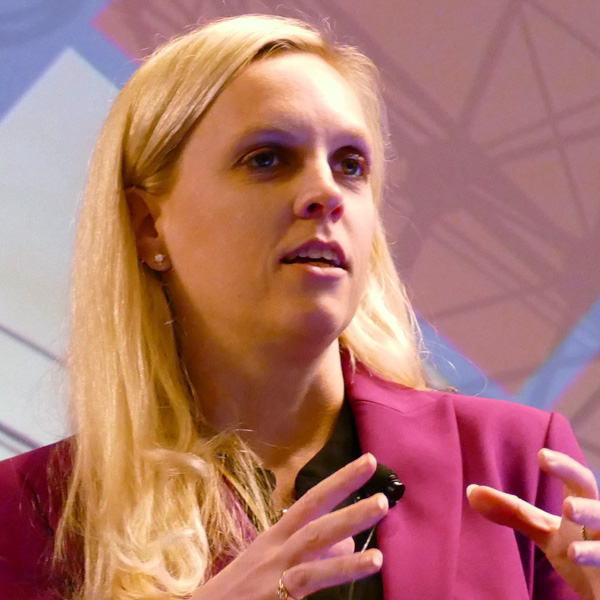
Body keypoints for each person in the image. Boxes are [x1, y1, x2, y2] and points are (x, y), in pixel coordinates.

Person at [0, 13, 599, 600]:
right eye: (266, 159)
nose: (325, 193)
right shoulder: (26, 514)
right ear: (148, 224)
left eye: (350, 166)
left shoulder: (519, 462)